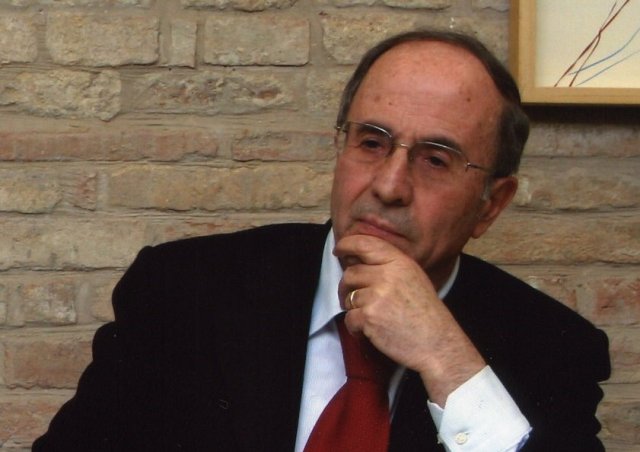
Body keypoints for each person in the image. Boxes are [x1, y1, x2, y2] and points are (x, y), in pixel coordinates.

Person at [33, 30, 610, 451]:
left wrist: (445, 359)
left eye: (436, 160)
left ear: (491, 203)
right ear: (341, 147)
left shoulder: (554, 349)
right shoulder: (184, 290)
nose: (388, 186)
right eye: (371, 142)